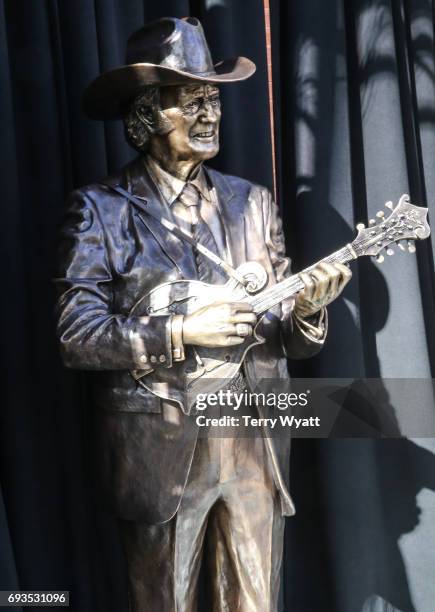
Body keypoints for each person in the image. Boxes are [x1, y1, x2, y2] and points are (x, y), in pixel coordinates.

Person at [56, 16, 351, 612]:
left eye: (212, 99)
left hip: (253, 443)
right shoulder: (100, 211)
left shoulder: (253, 204)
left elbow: (287, 340)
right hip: (161, 448)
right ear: (145, 116)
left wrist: (306, 314)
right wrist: (181, 330)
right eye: (190, 101)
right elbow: (75, 334)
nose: (209, 114)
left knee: (258, 601)